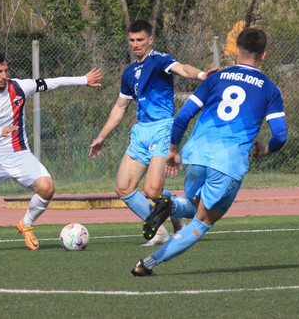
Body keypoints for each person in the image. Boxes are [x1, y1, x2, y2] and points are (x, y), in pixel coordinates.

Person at [131, 27, 288, 276]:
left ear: (235, 52)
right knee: (203, 221)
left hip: (195, 154)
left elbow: (183, 116)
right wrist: (266, 150)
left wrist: (173, 149)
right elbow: (280, 135)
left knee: (197, 207)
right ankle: (148, 263)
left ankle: (170, 206)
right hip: (228, 162)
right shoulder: (270, 89)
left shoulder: (216, 77)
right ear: (264, 55)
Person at [0, 52, 103, 254]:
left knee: (47, 188)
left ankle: (26, 224)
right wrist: (0, 131)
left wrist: (83, 80)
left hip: (19, 155)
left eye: (5, 70)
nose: (3, 75)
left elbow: (51, 83)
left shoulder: (19, 87)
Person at [89, 20, 218, 245]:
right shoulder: (129, 73)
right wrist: (101, 137)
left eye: (140, 40)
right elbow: (120, 108)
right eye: (132, 40)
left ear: (150, 40)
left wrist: (201, 75)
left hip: (162, 129)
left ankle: (184, 211)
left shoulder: (159, 60)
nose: (135, 44)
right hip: (140, 132)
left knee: (152, 190)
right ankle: (160, 232)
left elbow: (182, 68)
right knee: (123, 188)